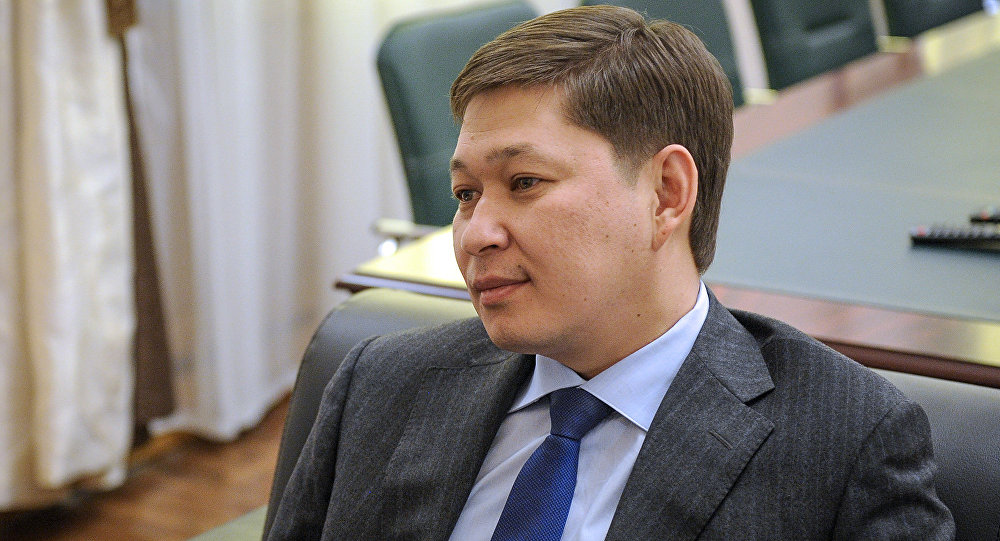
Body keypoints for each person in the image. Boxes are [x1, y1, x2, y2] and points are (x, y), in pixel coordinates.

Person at [266, 5, 954, 540]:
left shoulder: (845, 446)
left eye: (524, 182)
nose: (476, 234)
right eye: (466, 193)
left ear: (666, 194)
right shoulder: (380, 387)